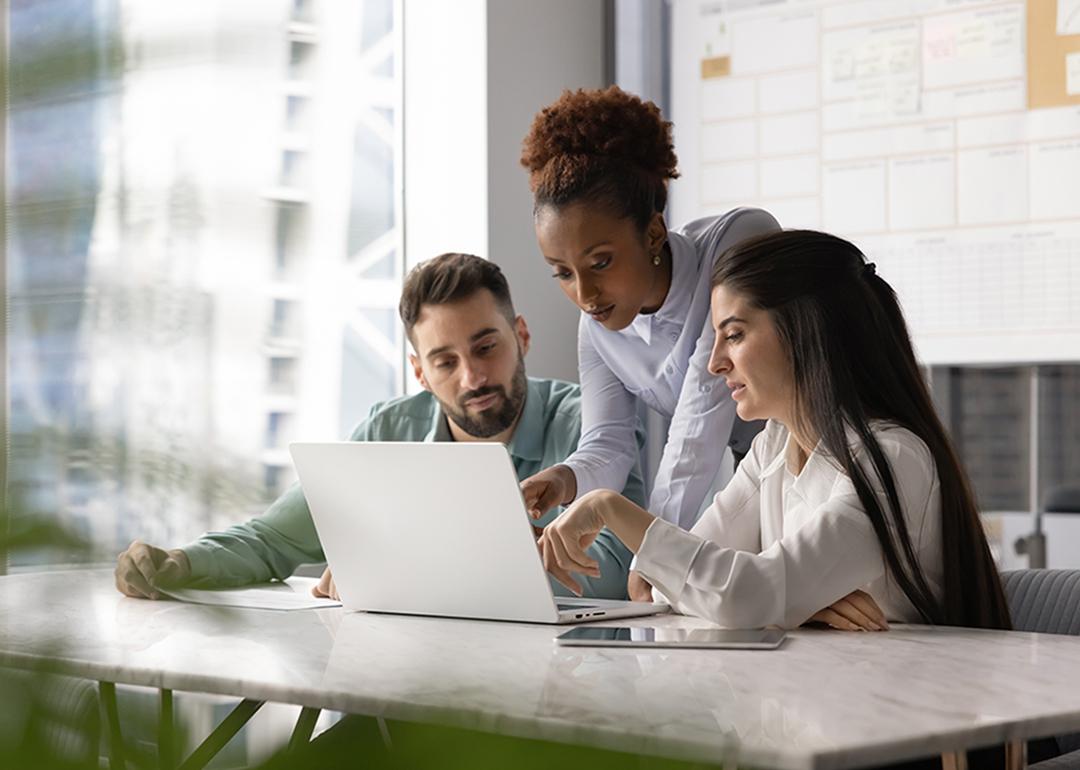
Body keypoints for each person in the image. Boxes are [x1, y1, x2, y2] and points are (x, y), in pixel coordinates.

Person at [537, 229, 1012, 633]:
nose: (714, 362)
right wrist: (799, 605)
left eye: (735, 335)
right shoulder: (773, 446)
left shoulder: (892, 456)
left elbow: (745, 595)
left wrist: (608, 506)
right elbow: (656, 586)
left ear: (806, 331)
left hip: (905, 707)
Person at [115, 253, 645, 602]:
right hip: (416, 695)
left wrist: (396, 572)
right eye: (445, 361)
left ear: (521, 336)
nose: (473, 376)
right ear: (420, 371)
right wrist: (180, 562)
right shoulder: (389, 429)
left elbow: (616, 571)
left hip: (563, 702)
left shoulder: (595, 426)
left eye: (486, 347)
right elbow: (273, 539)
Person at [518, 86, 780, 551]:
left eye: (600, 262)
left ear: (654, 232)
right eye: (563, 273)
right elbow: (609, 441)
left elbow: (700, 419)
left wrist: (655, 552)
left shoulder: (736, 241)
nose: (585, 295)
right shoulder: (598, 329)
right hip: (760, 470)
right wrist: (565, 478)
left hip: (841, 452)